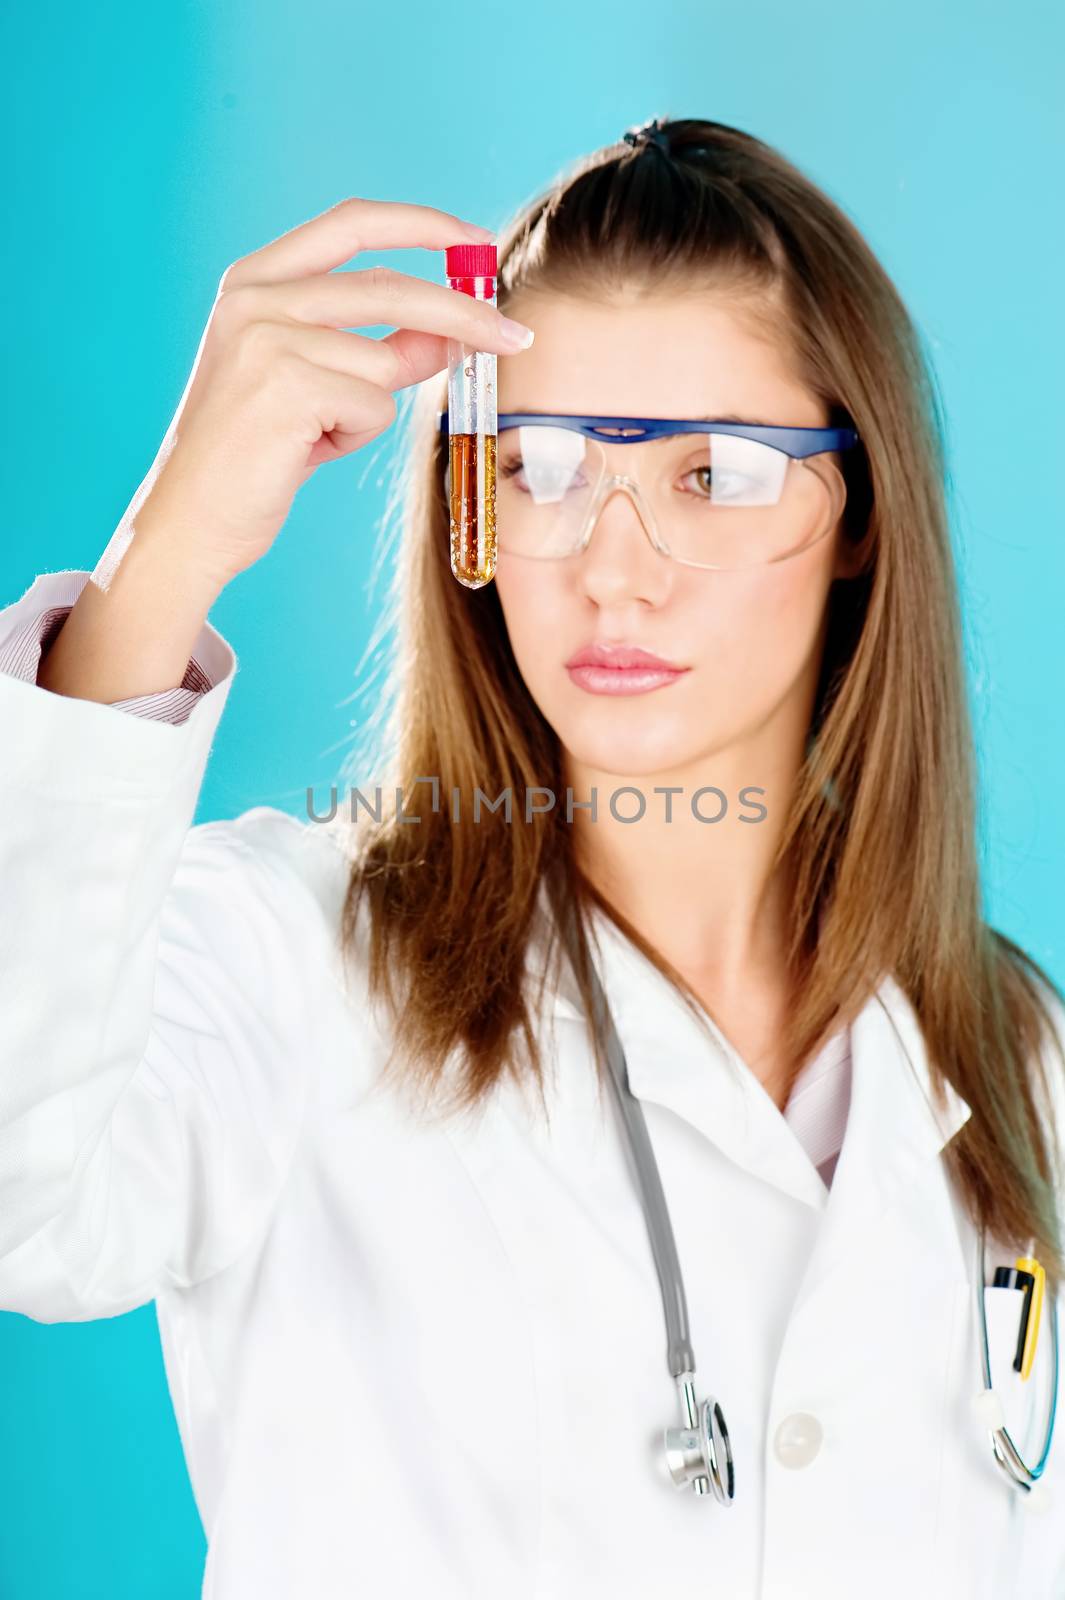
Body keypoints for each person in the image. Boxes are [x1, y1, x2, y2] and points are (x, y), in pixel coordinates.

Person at [0, 115, 1062, 1599]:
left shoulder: (1016, 1062)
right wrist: (165, 549)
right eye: (544, 464)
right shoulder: (287, 960)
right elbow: (17, 1195)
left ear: (858, 519)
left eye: (716, 475)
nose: (611, 564)